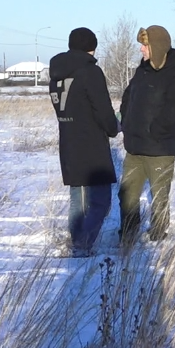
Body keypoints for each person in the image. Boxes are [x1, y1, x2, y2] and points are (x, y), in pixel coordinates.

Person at [49, 27, 120, 256]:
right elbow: (102, 107)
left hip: (68, 142)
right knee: (100, 201)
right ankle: (82, 245)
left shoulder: (57, 73)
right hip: (91, 144)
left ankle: (78, 243)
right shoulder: (90, 72)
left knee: (77, 201)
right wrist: (113, 127)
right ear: (91, 47)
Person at [119, 25, 175, 244]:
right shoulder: (143, 69)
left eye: (145, 45)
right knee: (127, 194)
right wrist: (127, 120)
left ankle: (159, 236)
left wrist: (157, 130)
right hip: (135, 147)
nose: (141, 50)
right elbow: (128, 96)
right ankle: (128, 234)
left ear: (157, 47)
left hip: (160, 148)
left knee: (159, 196)